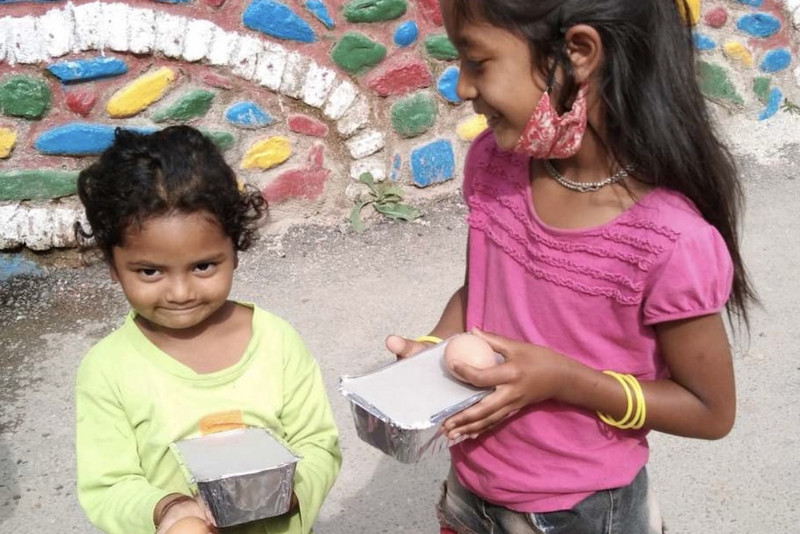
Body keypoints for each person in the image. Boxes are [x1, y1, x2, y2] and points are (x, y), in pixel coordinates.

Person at [385, 1, 757, 533]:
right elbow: (482, 291)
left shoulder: (671, 240)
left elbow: (709, 411)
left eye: (478, 61)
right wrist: (436, 347)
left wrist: (564, 380)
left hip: (582, 512)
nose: (461, 88)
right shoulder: (494, 164)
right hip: (471, 492)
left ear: (578, 53)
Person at [74, 126, 341, 534]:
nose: (180, 293)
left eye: (203, 266)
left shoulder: (276, 342)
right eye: (149, 271)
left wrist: (286, 492)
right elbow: (108, 485)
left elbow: (318, 444)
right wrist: (170, 510)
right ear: (113, 265)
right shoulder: (107, 369)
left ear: (235, 249)